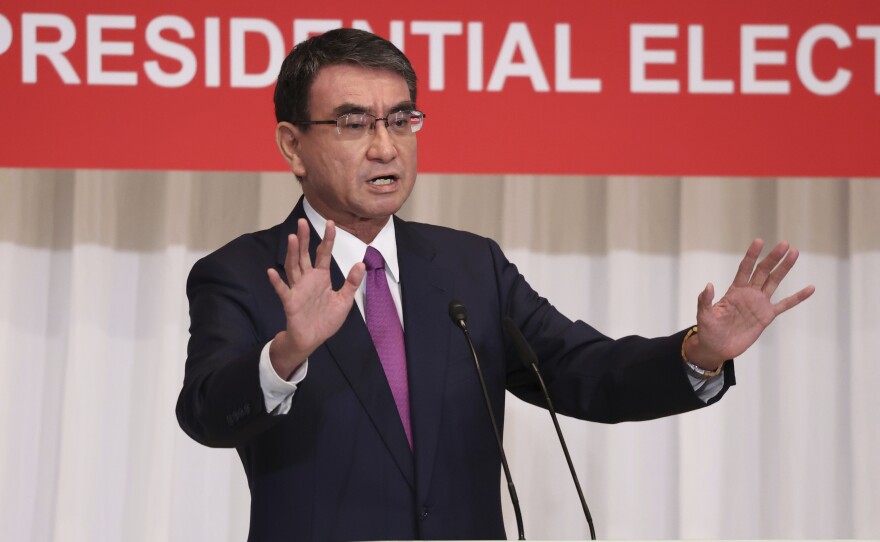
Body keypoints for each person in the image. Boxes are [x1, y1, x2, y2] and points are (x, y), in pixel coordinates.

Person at [176, 28, 814, 541]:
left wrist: (700, 352)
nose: (385, 148)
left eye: (401, 120)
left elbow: (579, 369)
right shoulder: (240, 273)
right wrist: (287, 355)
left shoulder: (468, 267)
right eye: (352, 123)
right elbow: (205, 412)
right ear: (292, 145)